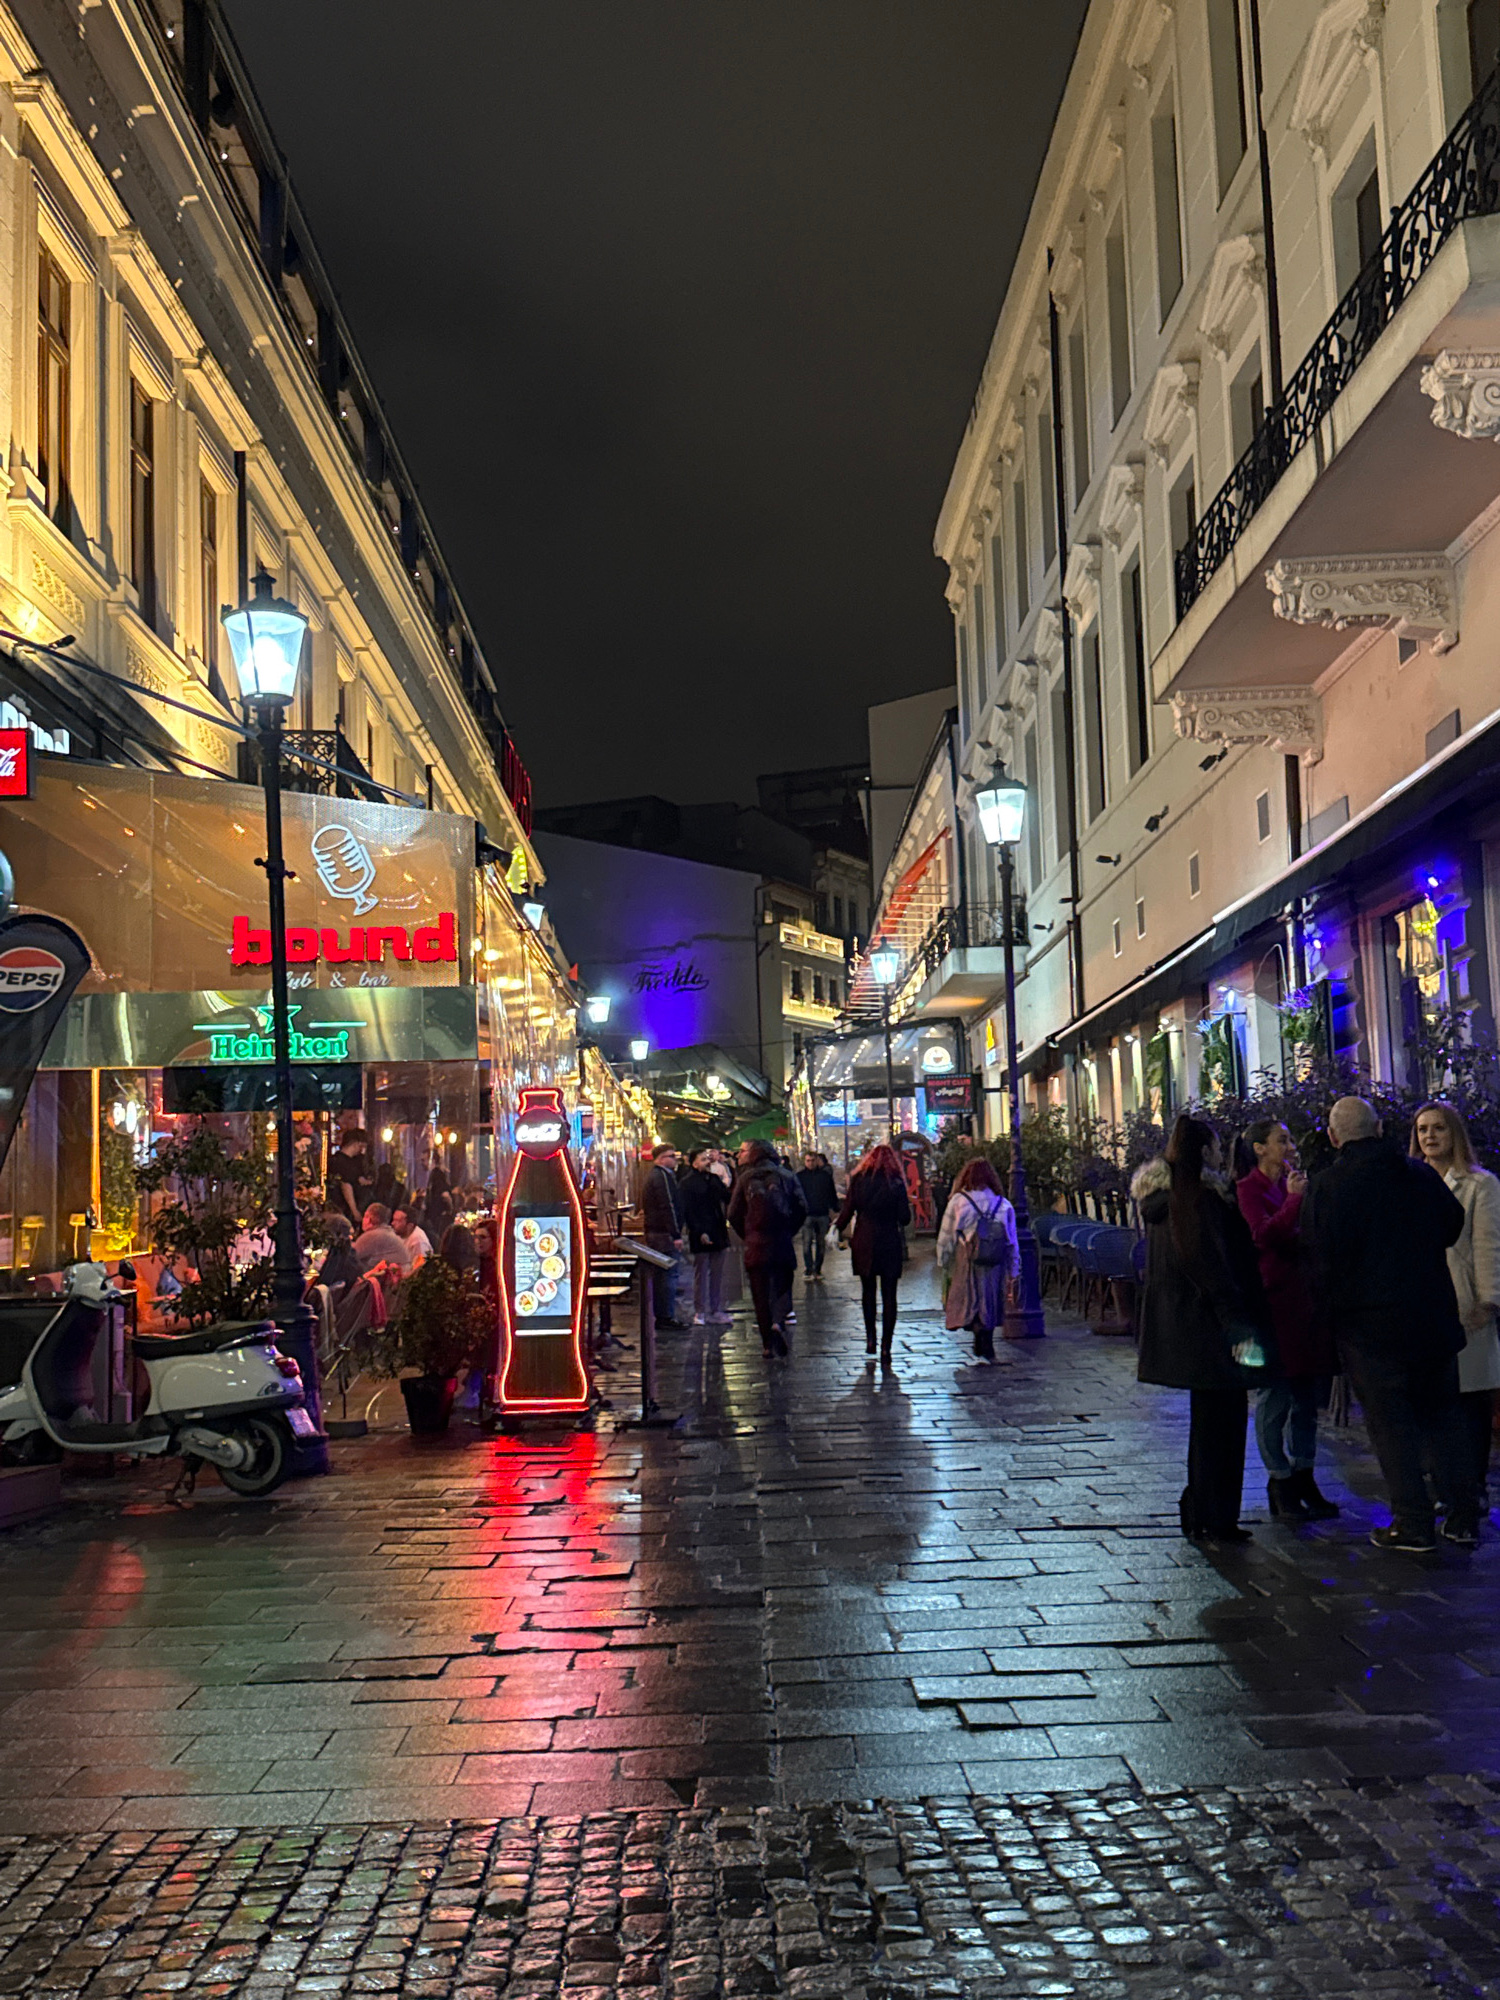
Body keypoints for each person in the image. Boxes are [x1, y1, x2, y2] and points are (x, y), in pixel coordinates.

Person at [1303, 1095, 1470, 1552]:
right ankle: (1462, 1513)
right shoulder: (1418, 1175)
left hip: (1369, 1327)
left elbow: (1318, 1259)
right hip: (1431, 1317)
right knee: (1443, 1416)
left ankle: (1413, 1522)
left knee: (1391, 1425)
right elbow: (1452, 1224)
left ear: (1334, 1137)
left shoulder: (1328, 1186)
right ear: (1379, 1129)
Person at [1133, 1114, 1268, 1545]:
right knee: (1224, 1425)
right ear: (1204, 1151)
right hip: (1212, 1329)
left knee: (1207, 1424)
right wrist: (1238, 1325)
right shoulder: (1199, 1201)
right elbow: (1213, 1266)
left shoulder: (1161, 1201)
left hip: (1184, 1330)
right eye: (1216, 1147)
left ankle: (1200, 1510)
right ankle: (1217, 1517)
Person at [1234, 1120, 1339, 1521]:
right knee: (1276, 1394)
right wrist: (1294, 1202)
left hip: (1304, 1300)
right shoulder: (1249, 1189)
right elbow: (1262, 1235)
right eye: (1282, 1140)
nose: (1291, 1146)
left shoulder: (1293, 1184)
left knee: (1306, 1397)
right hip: (1272, 1302)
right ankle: (1279, 1479)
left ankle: (1304, 1473)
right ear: (1259, 1148)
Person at [1410, 1100, 1500, 1540]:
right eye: (1422, 1129)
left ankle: (1472, 1486)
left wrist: (1489, 1300)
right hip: (1424, 1307)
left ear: (1454, 1133)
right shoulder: (1411, 1182)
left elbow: (1488, 1244)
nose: (1429, 1136)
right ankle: (1445, 1486)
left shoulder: (1480, 1185)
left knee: (1471, 1404)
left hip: (1467, 1305)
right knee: (1433, 1403)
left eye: (1438, 1128)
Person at [728, 1138, 807, 1359]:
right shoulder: (787, 1176)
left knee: (760, 1293)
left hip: (756, 1244)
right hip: (781, 1241)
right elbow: (802, 1207)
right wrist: (789, 1230)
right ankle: (778, 1322)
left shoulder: (745, 1178)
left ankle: (766, 1344)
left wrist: (748, 1234)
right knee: (782, 1287)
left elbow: (733, 1213)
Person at [835, 1143, 911, 1365]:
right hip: (889, 1241)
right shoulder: (896, 1182)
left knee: (868, 1292)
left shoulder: (859, 1180)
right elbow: (905, 1218)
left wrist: (837, 1228)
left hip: (864, 1241)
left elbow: (848, 1209)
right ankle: (886, 1347)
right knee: (889, 1296)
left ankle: (871, 1340)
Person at [937, 1157, 1017, 1362]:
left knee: (971, 1297)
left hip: (968, 1257)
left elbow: (947, 1234)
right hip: (995, 1259)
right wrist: (1014, 1269)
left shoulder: (959, 1201)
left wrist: (943, 1260)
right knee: (991, 1297)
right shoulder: (1003, 1204)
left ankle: (977, 1332)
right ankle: (987, 1337)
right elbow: (1011, 1241)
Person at [680, 1146, 732, 1325]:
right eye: (703, 1159)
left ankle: (715, 1309)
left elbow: (726, 1197)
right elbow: (688, 1211)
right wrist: (699, 1231)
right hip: (700, 1231)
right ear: (694, 1163)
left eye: (707, 1158)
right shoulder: (687, 1184)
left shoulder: (713, 1179)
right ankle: (700, 1311)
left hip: (717, 1230)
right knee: (701, 1272)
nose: (707, 1162)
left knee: (717, 1273)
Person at [640, 1144, 686, 1329]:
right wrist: (675, 1234)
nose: (675, 1160)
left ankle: (663, 1315)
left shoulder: (658, 1176)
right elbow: (667, 1205)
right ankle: (665, 1316)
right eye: (671, 1156)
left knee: (662, 1276)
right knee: (667, 1275)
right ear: (660, 1159)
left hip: (657, 1232)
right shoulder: (662, 1177)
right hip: (662, 1234)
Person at [796, 1151, 838, 1279]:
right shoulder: (821, 1176)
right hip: (811, 1214)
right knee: (809, 1243)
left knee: (817, 1243)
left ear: (817, 1161)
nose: (810, 1163)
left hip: (816, 1213)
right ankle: (812, 1269)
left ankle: (814, 1269)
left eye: (812, 1160)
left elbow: (831, 1193)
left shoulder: (802, 1177)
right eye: (808, 1161)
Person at [354, 1202, 414, 1277]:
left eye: (365, 1216)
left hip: (394, 1278)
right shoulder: (385, 1232)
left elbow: (351, 1255)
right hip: (400, 1275)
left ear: (369, 1219)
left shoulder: (373, 1235)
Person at [328, 1129, 373, 1227]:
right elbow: (346, 1185)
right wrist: (354, 1211)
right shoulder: (341, 1162)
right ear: (357, 1144)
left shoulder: (352, 1161)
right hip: (344, 1209)